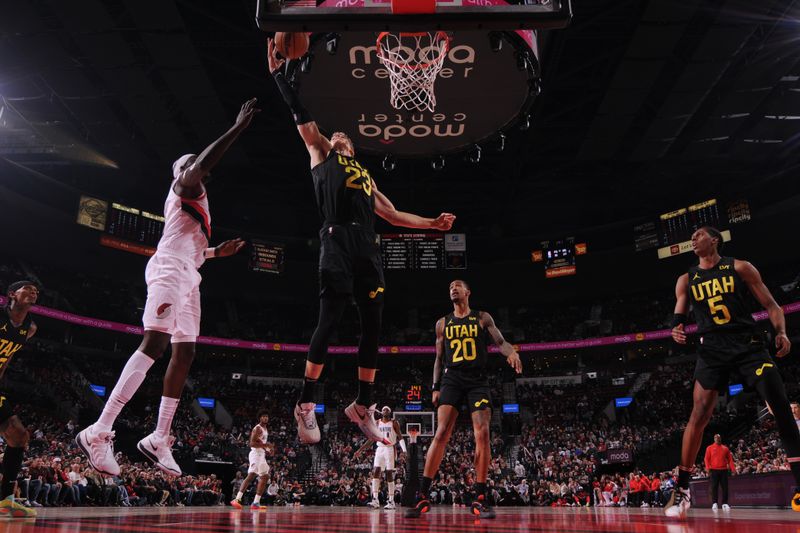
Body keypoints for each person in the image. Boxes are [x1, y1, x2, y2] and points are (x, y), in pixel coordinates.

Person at [266, 39, 456, 445]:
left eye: (343, 136)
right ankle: (305, 404)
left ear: (351, 147)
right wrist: (280, 76)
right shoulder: (320, 154)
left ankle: (362, 404)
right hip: (336, 239)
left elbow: (393, 214)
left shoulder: (367, 177)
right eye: (334, 134)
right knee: (330, 320)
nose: (337, 135)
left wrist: (432, 224)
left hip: (367, 247)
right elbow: (300, 114)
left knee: (373, 326)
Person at [77, 99, 258, 477]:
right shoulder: (184, 187)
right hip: (169, 272)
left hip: (189, 273)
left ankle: (159, 438)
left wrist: (214, 252)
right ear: (184, 171)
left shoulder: (196, 203)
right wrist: (237, 128)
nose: (201, 172)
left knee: (186, 352)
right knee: (154, 345)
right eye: (194, 166)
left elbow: (186, 246)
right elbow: (201, 166)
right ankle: (100, 429)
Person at [664, 226, 799, 518]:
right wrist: (676, 326)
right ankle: (683, 491)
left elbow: (772, 306)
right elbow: (679, 311)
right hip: (712, 350)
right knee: (698, 416)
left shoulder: (739, 267)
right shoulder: (686, 279)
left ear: (714, 240)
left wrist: (781, 332)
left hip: (747, 345)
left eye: (699, 234)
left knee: (780, 406)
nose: (693, 238)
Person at [406, 280, 522, 519]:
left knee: (483, 433)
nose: (453, 289)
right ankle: (422, 496)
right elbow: (438, 358)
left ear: (468, 292)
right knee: (441, 433)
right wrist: (435, 386)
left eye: (458, 286)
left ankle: (479, 497)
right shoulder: (442, 323)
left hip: (477, 381)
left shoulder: (482, 317)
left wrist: (511, 353)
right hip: (452, 380)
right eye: (450, 287)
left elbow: (500, 342)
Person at [0, 281, 39, 518]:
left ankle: (6, 500)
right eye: (28, 288)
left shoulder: (30, 328)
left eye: (36, 291)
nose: (33, 292)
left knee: (18, 435)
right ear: (12, 294)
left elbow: (7, 358)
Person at [355, 406, 405, 510]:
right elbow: (371, 439)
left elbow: (400, 437)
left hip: (389, 448)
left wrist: (404, 451)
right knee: (376, 471)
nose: (385, 411)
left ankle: (391, 501)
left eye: (387, 409)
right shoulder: (377, 423)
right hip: (380, 449)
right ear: (381, 412)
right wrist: (360, 450)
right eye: (383, 409)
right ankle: (375, 500)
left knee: (389, 473)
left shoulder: (394, 422)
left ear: (390, 412)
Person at [231, 412, 272, 510]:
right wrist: (266, 446)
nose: (265, 418)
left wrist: (267, 449)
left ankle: (256, 502)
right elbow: (252, 443)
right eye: (263, 416)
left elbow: (261, 443)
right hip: (256, 454)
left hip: (261, 455)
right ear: (260, 418)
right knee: (251, 475)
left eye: (267, 416)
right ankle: (237, 499)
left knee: (265, 477)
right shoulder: (257, 428)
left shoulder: (265, 429)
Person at [705, 434, 735, 511]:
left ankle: (724, 503)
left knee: (725, 487)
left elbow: (730, 460)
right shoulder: (710, 448)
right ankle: (714, 503)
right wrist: (708, 468)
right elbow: (706, 459)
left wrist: (733, 469)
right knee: (714, 487)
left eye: (718, 438)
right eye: (716, 438)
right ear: (714, 439)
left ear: (720, 439)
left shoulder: (725, 448)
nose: (717, 439)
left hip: (724, 470)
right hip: (714, 470)